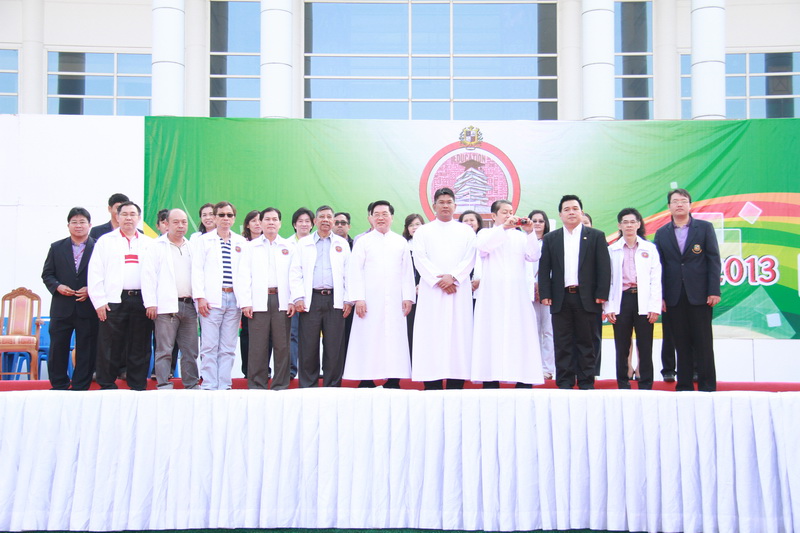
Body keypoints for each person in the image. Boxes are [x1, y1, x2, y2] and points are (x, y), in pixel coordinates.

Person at [539, 195, 610, 390]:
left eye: (575, 208)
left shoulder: (596, 236)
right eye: (567, 209)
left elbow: (604, 268)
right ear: (560, 214)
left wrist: (602, 294)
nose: (571, 212)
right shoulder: (551, 238)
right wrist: (545, 293)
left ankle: (586, 381)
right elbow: (544, 268)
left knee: (587, 342)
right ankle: (565, 381)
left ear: (581, 212)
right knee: (562, 342)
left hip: (587, 298)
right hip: (560, 298)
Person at [654, 188, 721, 392]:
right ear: (669, 206)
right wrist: (660, 296)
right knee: (680, 342)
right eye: (675, 201)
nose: (679, 204)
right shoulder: (662, 233)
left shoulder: (704, 228)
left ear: (690, 205)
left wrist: (714, 290)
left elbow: (713, 260)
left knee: (703, 341)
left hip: (700, 294)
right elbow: (658, 267)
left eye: (683, 201)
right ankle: (684, 385)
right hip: (673, 296)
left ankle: (707, 385)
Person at [471, 200, 543, 388]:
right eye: (504, 212)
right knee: (491, 334)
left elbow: (533, 256)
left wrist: (530, 232)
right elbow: (483, 248)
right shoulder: (485, 233)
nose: (509, 215)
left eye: (511, 212)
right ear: (494, 216)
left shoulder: (520, 236)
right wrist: (503, 228)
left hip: (517, 294)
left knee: (519, 334)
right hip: (492, 295)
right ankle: (491, 378)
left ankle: (522, 378)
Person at [343, 201, 415, 388]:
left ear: (392, 217)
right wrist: (358, 298)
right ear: (371, 218)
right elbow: (355, 271)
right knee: (368, 336)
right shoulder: (363, 242)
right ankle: (367, 378)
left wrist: (408, 297)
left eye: (385, 214)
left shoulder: (400, 242)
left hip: (396, 300)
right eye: (377, 214)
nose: (381, 218)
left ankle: (394, 378)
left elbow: (407, 272)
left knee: (394, 337)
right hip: (369, 300)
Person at [411, 187, 477, 390]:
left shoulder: (466, 231)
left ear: (455, 206)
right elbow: (419, 258)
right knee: (431, 334)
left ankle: (457, 381)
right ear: (434, 206)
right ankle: (432, 382)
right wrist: (439, 280)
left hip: (458, 290)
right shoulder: (423, 231)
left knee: (459, 334)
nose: (445, 206)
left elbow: (470, 257)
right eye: (441, 202)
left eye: (449, 202)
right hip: (432, 292)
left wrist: (454, 277)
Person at [88, 201, 154, 390]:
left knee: (140, 343)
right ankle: (107, 383)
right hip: (113, 300)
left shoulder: (149, 243)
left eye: (133, 214)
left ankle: (137, 384)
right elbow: (95, 273)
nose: (128, 218)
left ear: (139, 218)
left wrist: (152, 301)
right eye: (124, 214)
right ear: (117, 217)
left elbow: (155, 274)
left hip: (141, 299)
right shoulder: (105, 241)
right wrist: (99, 302)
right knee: (110, 343)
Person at [289, 205, 352, 388]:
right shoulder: (304, 243)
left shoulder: (342, 244)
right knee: (308, 344)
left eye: (329, 217)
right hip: (311, 299)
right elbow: (295, 272)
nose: (325, 220)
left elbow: (349, 274)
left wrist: (348, 300)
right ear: (315, 221)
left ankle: (332, 385)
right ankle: (308, 385)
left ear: (333, 221)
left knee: (334, 345)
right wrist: (298, 297)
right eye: (322, 217)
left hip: (335, 299)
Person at [192, 201, 248, 390]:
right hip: (211, 300)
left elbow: (245, 273)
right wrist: (200, 297)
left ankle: (224, 384)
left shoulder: (240, 242)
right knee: (209, 345)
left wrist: (244, 301)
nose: (225, 218)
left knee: (228, 346)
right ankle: (209, 383)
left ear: (234, 218)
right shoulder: (203, 241)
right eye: (221, 215)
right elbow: (197, 270)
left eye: (229, 215)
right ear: (215, 218)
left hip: (233, 299)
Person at [141, 208, 200, 390]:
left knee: (190, 350)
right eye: (176, 222)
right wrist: (151, 303)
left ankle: (191, 384)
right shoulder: (156, 247)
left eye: (184, 222)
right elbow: (148, 276)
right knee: (164, 349)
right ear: (166, 224)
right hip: (165, 306)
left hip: (189, 305)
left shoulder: (192, 247)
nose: (181, 226)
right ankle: (163, 384)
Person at [41, 207, 98, 390]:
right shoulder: (57, 247)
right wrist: (58, 286)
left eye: (82, 222)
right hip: (62, 306)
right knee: (58, 346)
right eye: (74, 222)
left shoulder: (98, 247)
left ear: (89, 225)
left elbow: (107, 275)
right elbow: (47, 274)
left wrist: (91, 289)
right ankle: (59, 384)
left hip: (87, 306)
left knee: (87, 348)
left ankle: (81, 385)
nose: (78, 225)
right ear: (68, 225)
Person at [604, 208, 661, 390]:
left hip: (643, 300)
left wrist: (654, 307)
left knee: (645, 344)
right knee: (622, 345)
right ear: (619, 226)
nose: (629, 225)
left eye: (632, 222)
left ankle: (646, 383)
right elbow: (608, 280)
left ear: (638, 224)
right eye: (625, 222)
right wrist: (609, 307)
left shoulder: (649, 248)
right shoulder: (612, 249)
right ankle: (623, 382)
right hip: (622, 300)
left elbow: (655, 279)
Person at [239, 207, 295, 390]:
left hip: (282, 301)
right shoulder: (250, 247)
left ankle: (280, 384)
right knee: (258, 346)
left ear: (280, 223)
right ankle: (257, 384)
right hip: (258, 301)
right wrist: (246, 302)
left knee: (282, 345)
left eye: (274, 219)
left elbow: (295, 275)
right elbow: (243, 275)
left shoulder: (289, 246)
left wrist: (293, 300)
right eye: (267, 219)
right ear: (260, 223)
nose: (271, 222)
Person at [526, 209, 555, 380]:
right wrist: (532, 285)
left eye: (541, 221)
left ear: (546, 224)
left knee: (548, 330)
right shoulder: (523, 241)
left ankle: (548, 368)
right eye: (534, 220)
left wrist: (543, 287)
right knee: (532, 330)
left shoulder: (551, 242)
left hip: (548, 292)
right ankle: (533, 366)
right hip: (527, 291)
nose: (537, 224)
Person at [288, 207, 315, 379]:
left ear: (312, 224)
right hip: (292, 298)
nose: (304, 224)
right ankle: (291, 370)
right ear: (294, 224)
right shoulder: (286, 244)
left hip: (313, 298)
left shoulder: (318, 243)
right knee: (292, 334)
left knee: (310, 336)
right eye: (300, 221)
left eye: (307, 221)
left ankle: (309, 370)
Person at [239, 209, 264, 377]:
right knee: (247, 333)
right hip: (247, 296)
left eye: (259, 220)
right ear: (247, 225)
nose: (257, 223)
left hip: (265, 296)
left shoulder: (270, 243)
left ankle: (264, 369)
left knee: (266, 335)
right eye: (253, 220)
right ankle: (247, 369)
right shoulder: (241, 244)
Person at [402, 214, 424, 359]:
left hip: (427, 291)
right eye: (411, 225)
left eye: (418, 224)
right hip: (408, 295)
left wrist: (422, 285)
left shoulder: (429, 245)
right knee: (409, 327)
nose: (415, 228)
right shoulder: (403, 245)